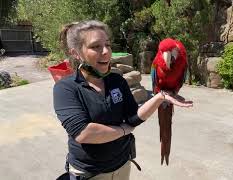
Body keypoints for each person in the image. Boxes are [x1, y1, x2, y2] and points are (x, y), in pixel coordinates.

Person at [53, 20, 193, 180]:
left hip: (123, 164)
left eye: (108, 44)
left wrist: (160, 97)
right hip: (89, 173)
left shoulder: (117, 80)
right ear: (76, 53)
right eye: (95, 46)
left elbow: (133, 117)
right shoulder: (66, 88)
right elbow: (84, 133)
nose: (106, 51)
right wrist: (125, 130)